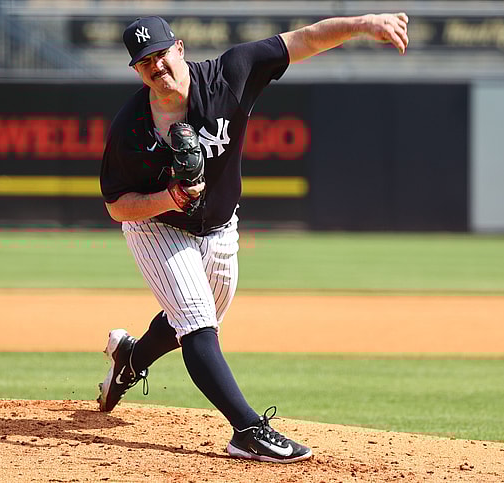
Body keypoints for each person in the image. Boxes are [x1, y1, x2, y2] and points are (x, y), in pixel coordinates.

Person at [96, 13, 409, 463]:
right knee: (197, 324)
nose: (157, 66)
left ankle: (131, 358)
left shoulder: (230, 75)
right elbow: (116, 205)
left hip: (221, 225)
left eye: (161, 54)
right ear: (136, 70)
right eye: (145, 62)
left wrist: (363, 23)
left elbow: (303, 40)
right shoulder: (130, 127)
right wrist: (170, 198)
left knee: (199, 318)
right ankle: (247, 430)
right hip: (158, 227)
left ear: (180, 48)